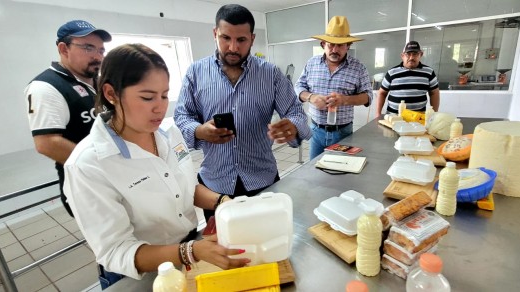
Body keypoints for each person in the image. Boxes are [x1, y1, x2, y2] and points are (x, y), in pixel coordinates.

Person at [63, 44, 250, 289]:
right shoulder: (88, 165)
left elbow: (185, 188)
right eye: (147, 97)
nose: (160, 107)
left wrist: (223, 202)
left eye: (164, 95)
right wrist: (189, 251)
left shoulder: (169, 133)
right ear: (111, 94)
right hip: (137, 277)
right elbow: (117, 251)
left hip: (189, 253)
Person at [174, 4, 311, 219]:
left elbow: (296, 112)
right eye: (225, 38)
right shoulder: (196, 73)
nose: (233, 48)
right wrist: (200, 130)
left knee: (267, 243)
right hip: (215, 183)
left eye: (241, 40)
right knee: (221, 247)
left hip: (262, 181)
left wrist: (293, 126)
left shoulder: (271, 74)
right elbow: (182, 117)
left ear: (252, 39)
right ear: (214, 34)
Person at [25, 20, 112, 217]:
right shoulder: (46, 86)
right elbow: (47, 143)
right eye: (89, 47)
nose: (98, 56)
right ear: (64, 48)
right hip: (87, 184)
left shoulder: (100, 81)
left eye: (101, 50)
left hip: (115, 175)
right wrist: (103, 169)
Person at [295, 16, 373, 158]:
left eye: (340, 45)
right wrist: (311, 97)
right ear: (323, 44)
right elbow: (298, 87)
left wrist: (345, 100)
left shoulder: (358, 68)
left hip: (343, 133)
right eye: (331, 44)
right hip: (316, 131)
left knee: (340, 176)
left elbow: (368, 96)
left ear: (348, 45)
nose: (335, 49)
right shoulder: (311, 63)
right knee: (315, 172)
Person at [376, 41, 440, 116]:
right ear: (402, 56)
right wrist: (378, 114)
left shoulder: (429, 72)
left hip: (418, 120)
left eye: (415, 54)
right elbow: (382, 93)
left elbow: (434, 93)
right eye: (408, 54)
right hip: (393, 118)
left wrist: (434, 114)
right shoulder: (391, 73)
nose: (411, 57)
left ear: (421, 54)